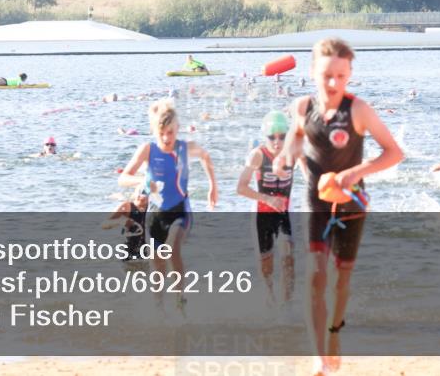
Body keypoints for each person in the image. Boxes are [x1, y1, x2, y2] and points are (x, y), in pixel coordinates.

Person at [273, 38, 404, 375]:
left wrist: (356, 171)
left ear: (349, 75)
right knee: (315, 276)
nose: (333, 83)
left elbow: (394, 152)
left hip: (352, 202)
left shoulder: (358, 110)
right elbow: (293, 145)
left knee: (339, 281)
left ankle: (333, 336)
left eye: (341, 76)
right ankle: (319, 357)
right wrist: (284, 160)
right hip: (315, 201)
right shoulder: (302, 107)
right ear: (313, 72)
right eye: (326, 75)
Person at [118, 99, 218, 315]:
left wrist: (213, 187)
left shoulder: (185, 147)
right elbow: (124, 177)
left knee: (173, 248)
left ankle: (180, 301)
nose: (166, 138)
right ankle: (159, 310)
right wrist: (143, 182)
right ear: (155, 130)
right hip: (156, 215)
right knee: (158, 266)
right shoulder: (147, 149)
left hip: (181, 211)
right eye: (162, 133)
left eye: (171, 132)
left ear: (177, 129)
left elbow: (206, 157)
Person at [236, 110, 297, 306]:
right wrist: (267, 199)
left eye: (282, 137)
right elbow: (241, 187)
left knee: (288, 255)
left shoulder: (293, 154)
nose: (277, 142)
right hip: (262, 216)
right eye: (272, 137)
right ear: (266, 137)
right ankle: (270, 300)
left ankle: (286, 305)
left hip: (282, 215)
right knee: (267, 266)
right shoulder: (258, 155)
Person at [102, 190, 149, 267]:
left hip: (143, 253)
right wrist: (121, 221)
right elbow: (104, 224)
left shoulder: (149, 206)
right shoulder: (127, 206)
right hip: (127, 254)